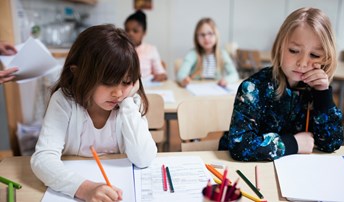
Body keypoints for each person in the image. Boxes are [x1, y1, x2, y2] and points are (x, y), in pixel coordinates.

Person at [31, 24, 157, 201]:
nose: (118, 93)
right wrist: (84, 188)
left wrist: (128, 103)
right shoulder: (64, 101)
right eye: (108, 82)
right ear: (78, 74)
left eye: (126, 81)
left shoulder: (129, 101)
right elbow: (42, 160)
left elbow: (143, 159)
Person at [219, 7, 343, 161]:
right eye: (293, 50)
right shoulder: (253, 88)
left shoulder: (316, 91)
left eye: (314, 55)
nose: (303, 63)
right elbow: (239, 146)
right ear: (280, 48)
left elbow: (331, 143)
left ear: (326, 58)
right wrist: (294, 143)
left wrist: (323, 95)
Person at [176, 18, 239, 87]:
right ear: (196, 37)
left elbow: (234, 74)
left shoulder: (222, 54)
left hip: (215, 90)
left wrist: (226, 80)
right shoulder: (193, 54)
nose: (206, 38)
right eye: (202, 35)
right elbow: (181, 74)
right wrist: (184, 79)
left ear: (216, 35)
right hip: (197, 89)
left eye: (210, 33)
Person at [124, 10, 167, 82]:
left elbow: (161, 74)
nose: (130, 34)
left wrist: (161, 76)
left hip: (147, 88)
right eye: (127, 30)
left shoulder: (151, 49)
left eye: (135, 31)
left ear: (144, 33)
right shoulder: (119, 49)